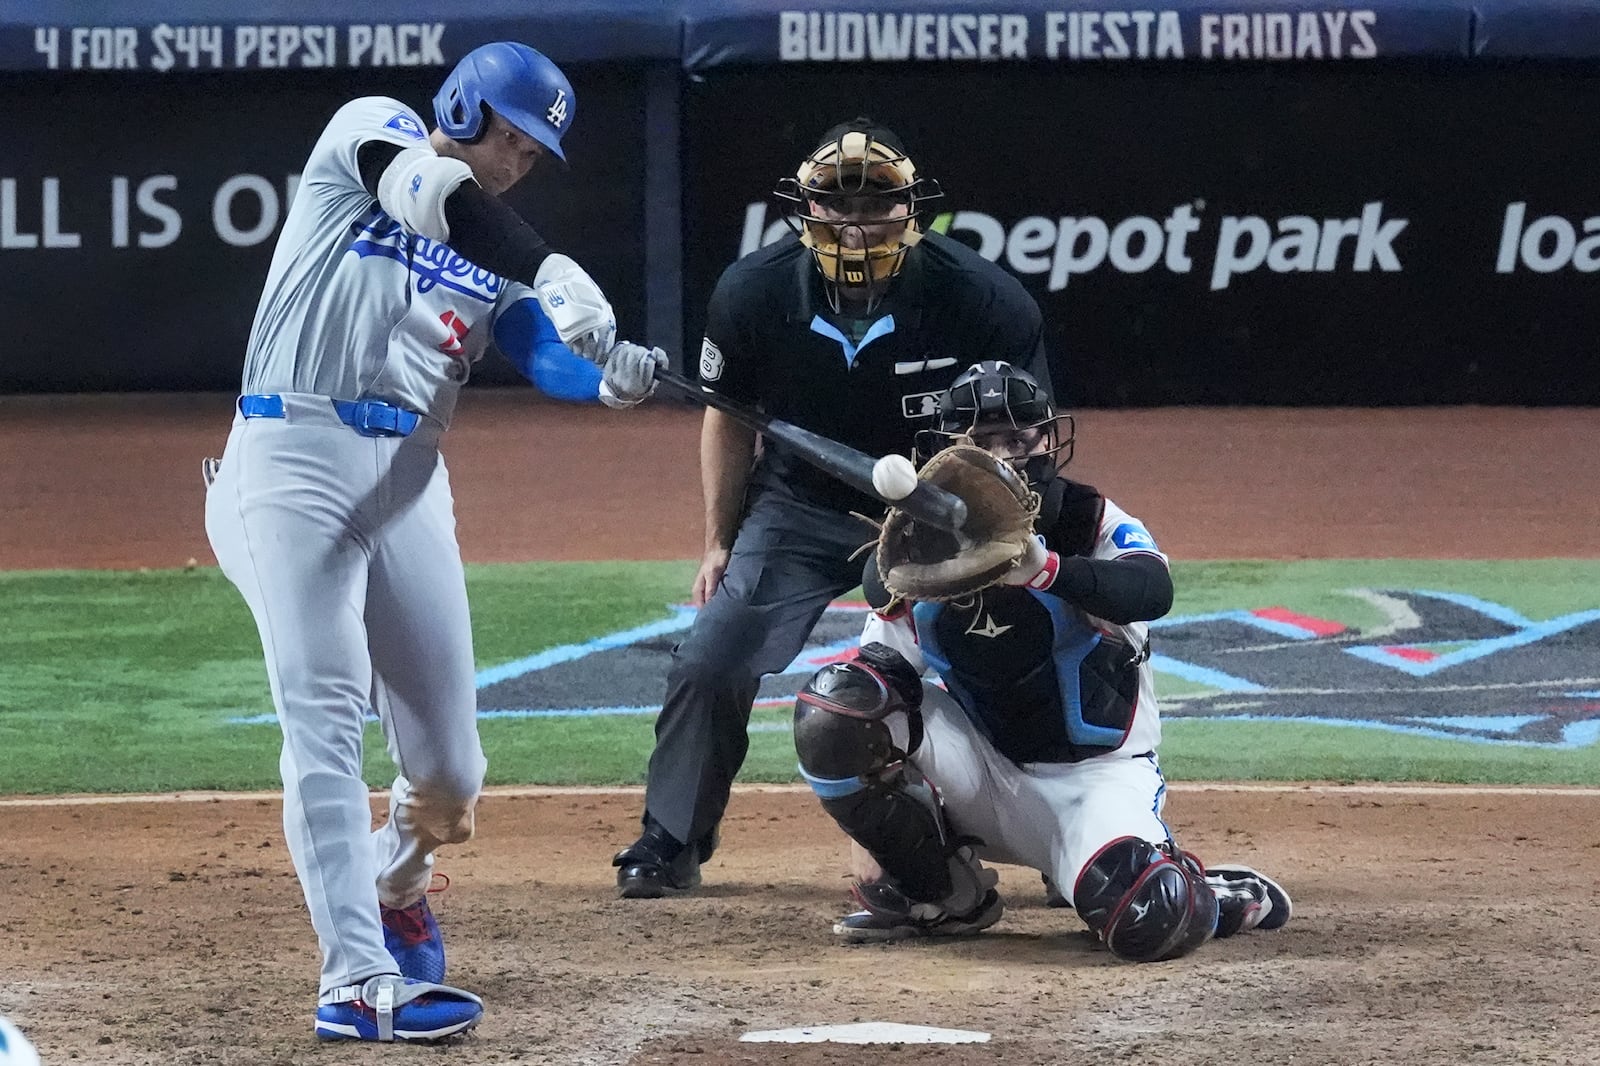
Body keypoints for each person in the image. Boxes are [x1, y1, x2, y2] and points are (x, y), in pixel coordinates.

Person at [203, 42, 666, 1043]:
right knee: (324, 717)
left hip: (411, 481)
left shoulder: (493, 249)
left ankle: (396, 879)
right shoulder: (373, 131)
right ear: (462, 106)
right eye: (508, 134)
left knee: (451, 770)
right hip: (290, 458)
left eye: (535, 150)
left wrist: (604, 377)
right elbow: (441, 197)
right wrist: (548, 263)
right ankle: (355, 980)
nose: (518, 158)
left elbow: (538, 347)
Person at [613, 116, 1053, 897]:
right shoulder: (752, 293)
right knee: (711, 658)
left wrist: (993, 531)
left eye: (875, 203)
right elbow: (727, 417)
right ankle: (670, 837)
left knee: (999, 657)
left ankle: (1058, 835)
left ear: (912, 210)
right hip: (799, 508)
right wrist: (718, 541)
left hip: (939, 514)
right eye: (834, 203)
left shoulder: (981, 299)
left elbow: (1025, 435)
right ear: (805, 208)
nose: (854, 221)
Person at [791, 361, 1292, 957]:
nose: (1003, 455)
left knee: (1149, 921)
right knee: (836, 708)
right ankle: (942, 895)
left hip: (1095, 780)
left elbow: (1151, 591)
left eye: (1018, 437)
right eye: (982, 440)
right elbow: (878, 673)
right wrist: (881, 847)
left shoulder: (1087, 520)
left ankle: (1213, 892)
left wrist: (1047, 571)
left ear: (1049, 438)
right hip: (980, 774)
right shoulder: (923, 547)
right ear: (949, 449)